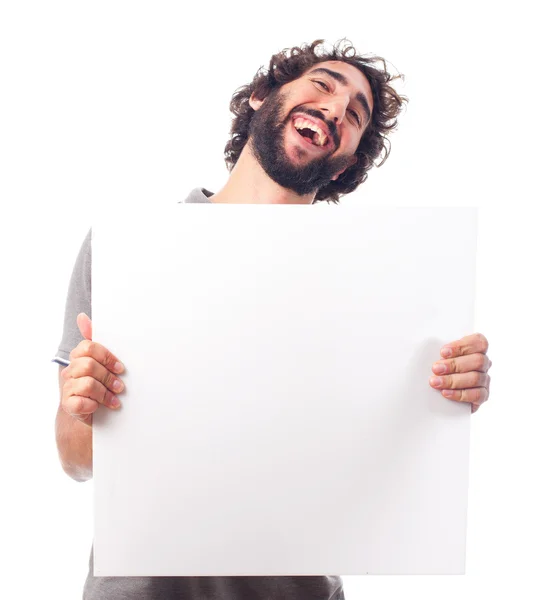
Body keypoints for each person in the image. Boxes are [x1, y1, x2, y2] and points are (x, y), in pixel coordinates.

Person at [53, 38, 492, 600]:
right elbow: (75, 459)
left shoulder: (376, 281)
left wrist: (448, 398)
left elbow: (387, 469)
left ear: (348, 163)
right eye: (323, 85)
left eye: (355, 115)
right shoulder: (128, 248)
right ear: (262, 96)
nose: (336, 108)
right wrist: (82, 405)